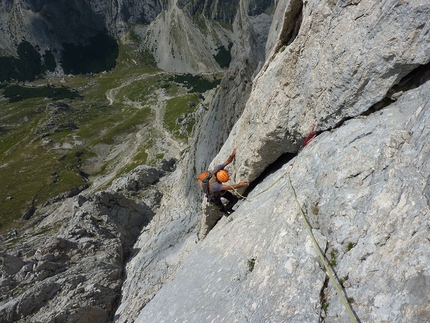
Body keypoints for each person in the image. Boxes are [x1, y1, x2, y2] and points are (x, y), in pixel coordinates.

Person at [206, 147, 249, 214]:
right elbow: (229, 187)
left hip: (219, 190)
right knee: (221, 208)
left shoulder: (217, 169)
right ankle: (225, 212)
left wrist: (232, 154)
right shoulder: (215, 186)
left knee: (234, 199)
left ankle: (229, 208)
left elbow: (228, 161)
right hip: (213, 195)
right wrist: (241, 184)